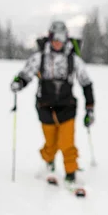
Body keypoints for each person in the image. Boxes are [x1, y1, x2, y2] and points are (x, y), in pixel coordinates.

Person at [11, 21, 95, 186]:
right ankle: (49, 163)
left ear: (66, 39)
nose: (58, 41)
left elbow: (86, 83)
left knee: (67, 143)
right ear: (50, 37)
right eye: (55, 37)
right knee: (51, 143)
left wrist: (90, 108)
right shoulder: (40, 57)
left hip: (67, 107)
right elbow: (26, 74)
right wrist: (19, 82)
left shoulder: (73, 59)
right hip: (45, 107)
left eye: (61, 37)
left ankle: (71, 173)